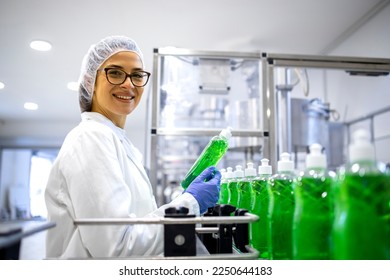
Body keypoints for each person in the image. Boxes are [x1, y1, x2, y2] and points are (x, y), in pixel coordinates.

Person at [44, 35, 221, 259]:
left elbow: (137, 227)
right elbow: (117, 248)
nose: (129, 84)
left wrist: (184, 203)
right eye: (115, 72)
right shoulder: (90, 138)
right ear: (91, 82)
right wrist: (190, 203)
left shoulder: (117, 141)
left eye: (137, 75)